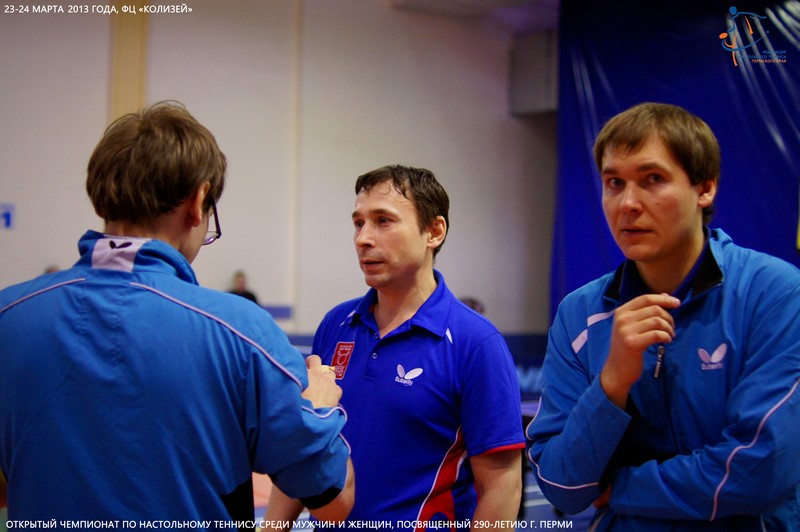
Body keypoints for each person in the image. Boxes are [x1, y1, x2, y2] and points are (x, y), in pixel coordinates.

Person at [0, 101, 354, 527]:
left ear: (101, 195)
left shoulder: (8, 316)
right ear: (198, 200)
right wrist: (318, 408)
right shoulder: (240, 331)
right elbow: (333, 499)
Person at [526, 102, 800, 530]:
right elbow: (562, 486)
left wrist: (623, 488)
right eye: (614, 183)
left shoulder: (775, 294)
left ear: (704, 188)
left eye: (652, 179)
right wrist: (611, 384)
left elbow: (760, 471)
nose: (628, 203)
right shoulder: (579, 314)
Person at [269, 165, 525, 529]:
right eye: (358, 223)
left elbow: (501, 487)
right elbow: (306, 449)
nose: (363, 238)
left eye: (383, 221)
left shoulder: (476, 343)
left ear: (434, 231)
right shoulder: (336, 325)